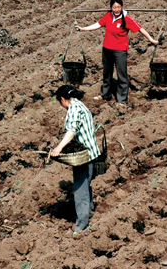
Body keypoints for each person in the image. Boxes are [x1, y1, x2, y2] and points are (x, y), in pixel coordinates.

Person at [76, 0, 159, 107]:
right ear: (111, 8)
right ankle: (105, 94)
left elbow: (140, 29)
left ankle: (122, 100)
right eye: (114, 7)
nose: (116, 10)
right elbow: (98, 24)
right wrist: (83, 29)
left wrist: (151, 39)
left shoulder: (126, 19)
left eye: (118, 7)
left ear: (122, 7)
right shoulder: (108, 16)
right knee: (107, 73)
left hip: (119, 51)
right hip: (107, 49)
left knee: (121, 75)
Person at [51, 85, 101, 235]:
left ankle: (81, 226)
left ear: (62, 99)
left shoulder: (73, 109)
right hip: (92, 152)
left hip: (83, 156)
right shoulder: (80, 104)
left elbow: (72, 131)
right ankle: (90, 212)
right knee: (86, 184)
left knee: (80, 191)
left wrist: (58, 148)